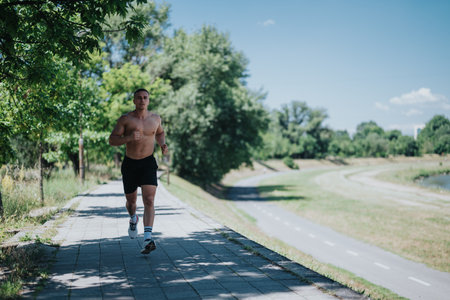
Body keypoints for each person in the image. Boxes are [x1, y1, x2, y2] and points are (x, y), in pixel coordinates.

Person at [109, 88, 169, 254]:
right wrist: (128, 138)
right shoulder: (126, 119)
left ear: (148, 100)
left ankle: (148, 238)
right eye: (139, 98)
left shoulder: (155, 119)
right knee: (132, 202)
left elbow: (160, 132)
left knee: (149, 200)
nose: (142, 100)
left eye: (145, 98)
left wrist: (162, 144)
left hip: (148, 163)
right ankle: (133, 218)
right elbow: (112, 140)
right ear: (134, 101)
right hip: (130, 164)